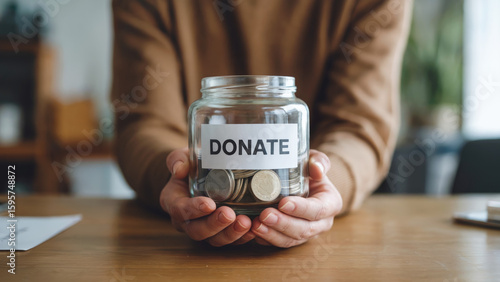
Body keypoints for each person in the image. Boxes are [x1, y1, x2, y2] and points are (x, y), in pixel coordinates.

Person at [111, 0, 412, 248]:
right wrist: (175, 179)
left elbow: (360, 126)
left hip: (325, 242)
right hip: (172, 241)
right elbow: (143, 122)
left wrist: (327, 184)